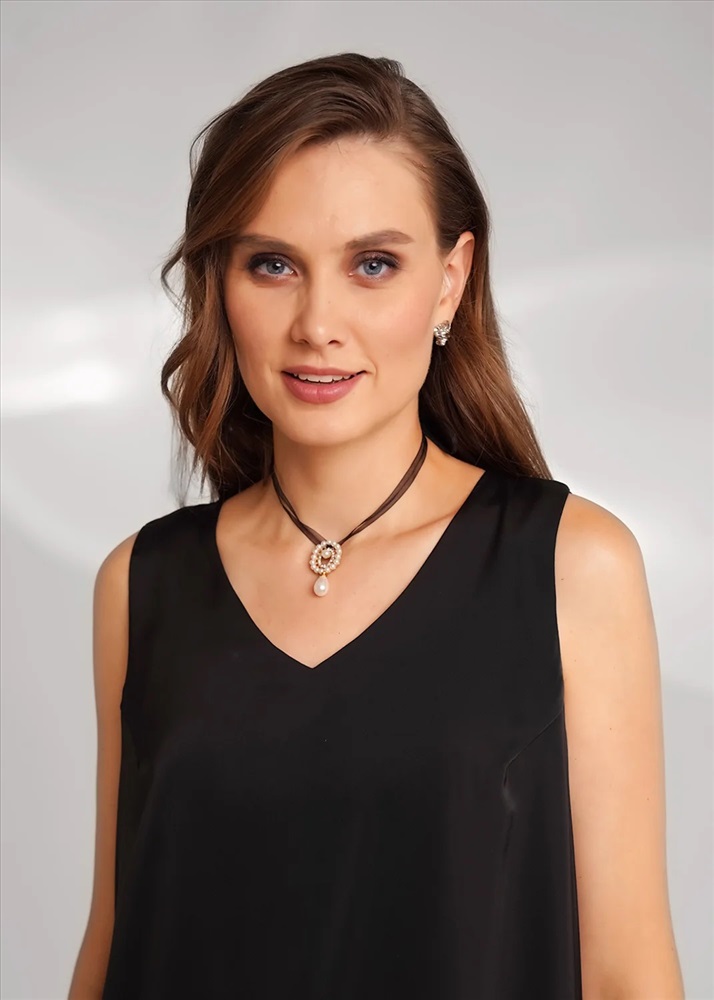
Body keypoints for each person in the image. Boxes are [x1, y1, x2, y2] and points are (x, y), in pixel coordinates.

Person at [68, 52, 684, 1000]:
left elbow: (628, 975)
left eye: (373, 265)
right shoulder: (142, 583)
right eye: (272, 264)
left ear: (450, 281)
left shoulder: (570, 564)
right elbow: (114, 947)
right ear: (218, 283)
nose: (318, 322)